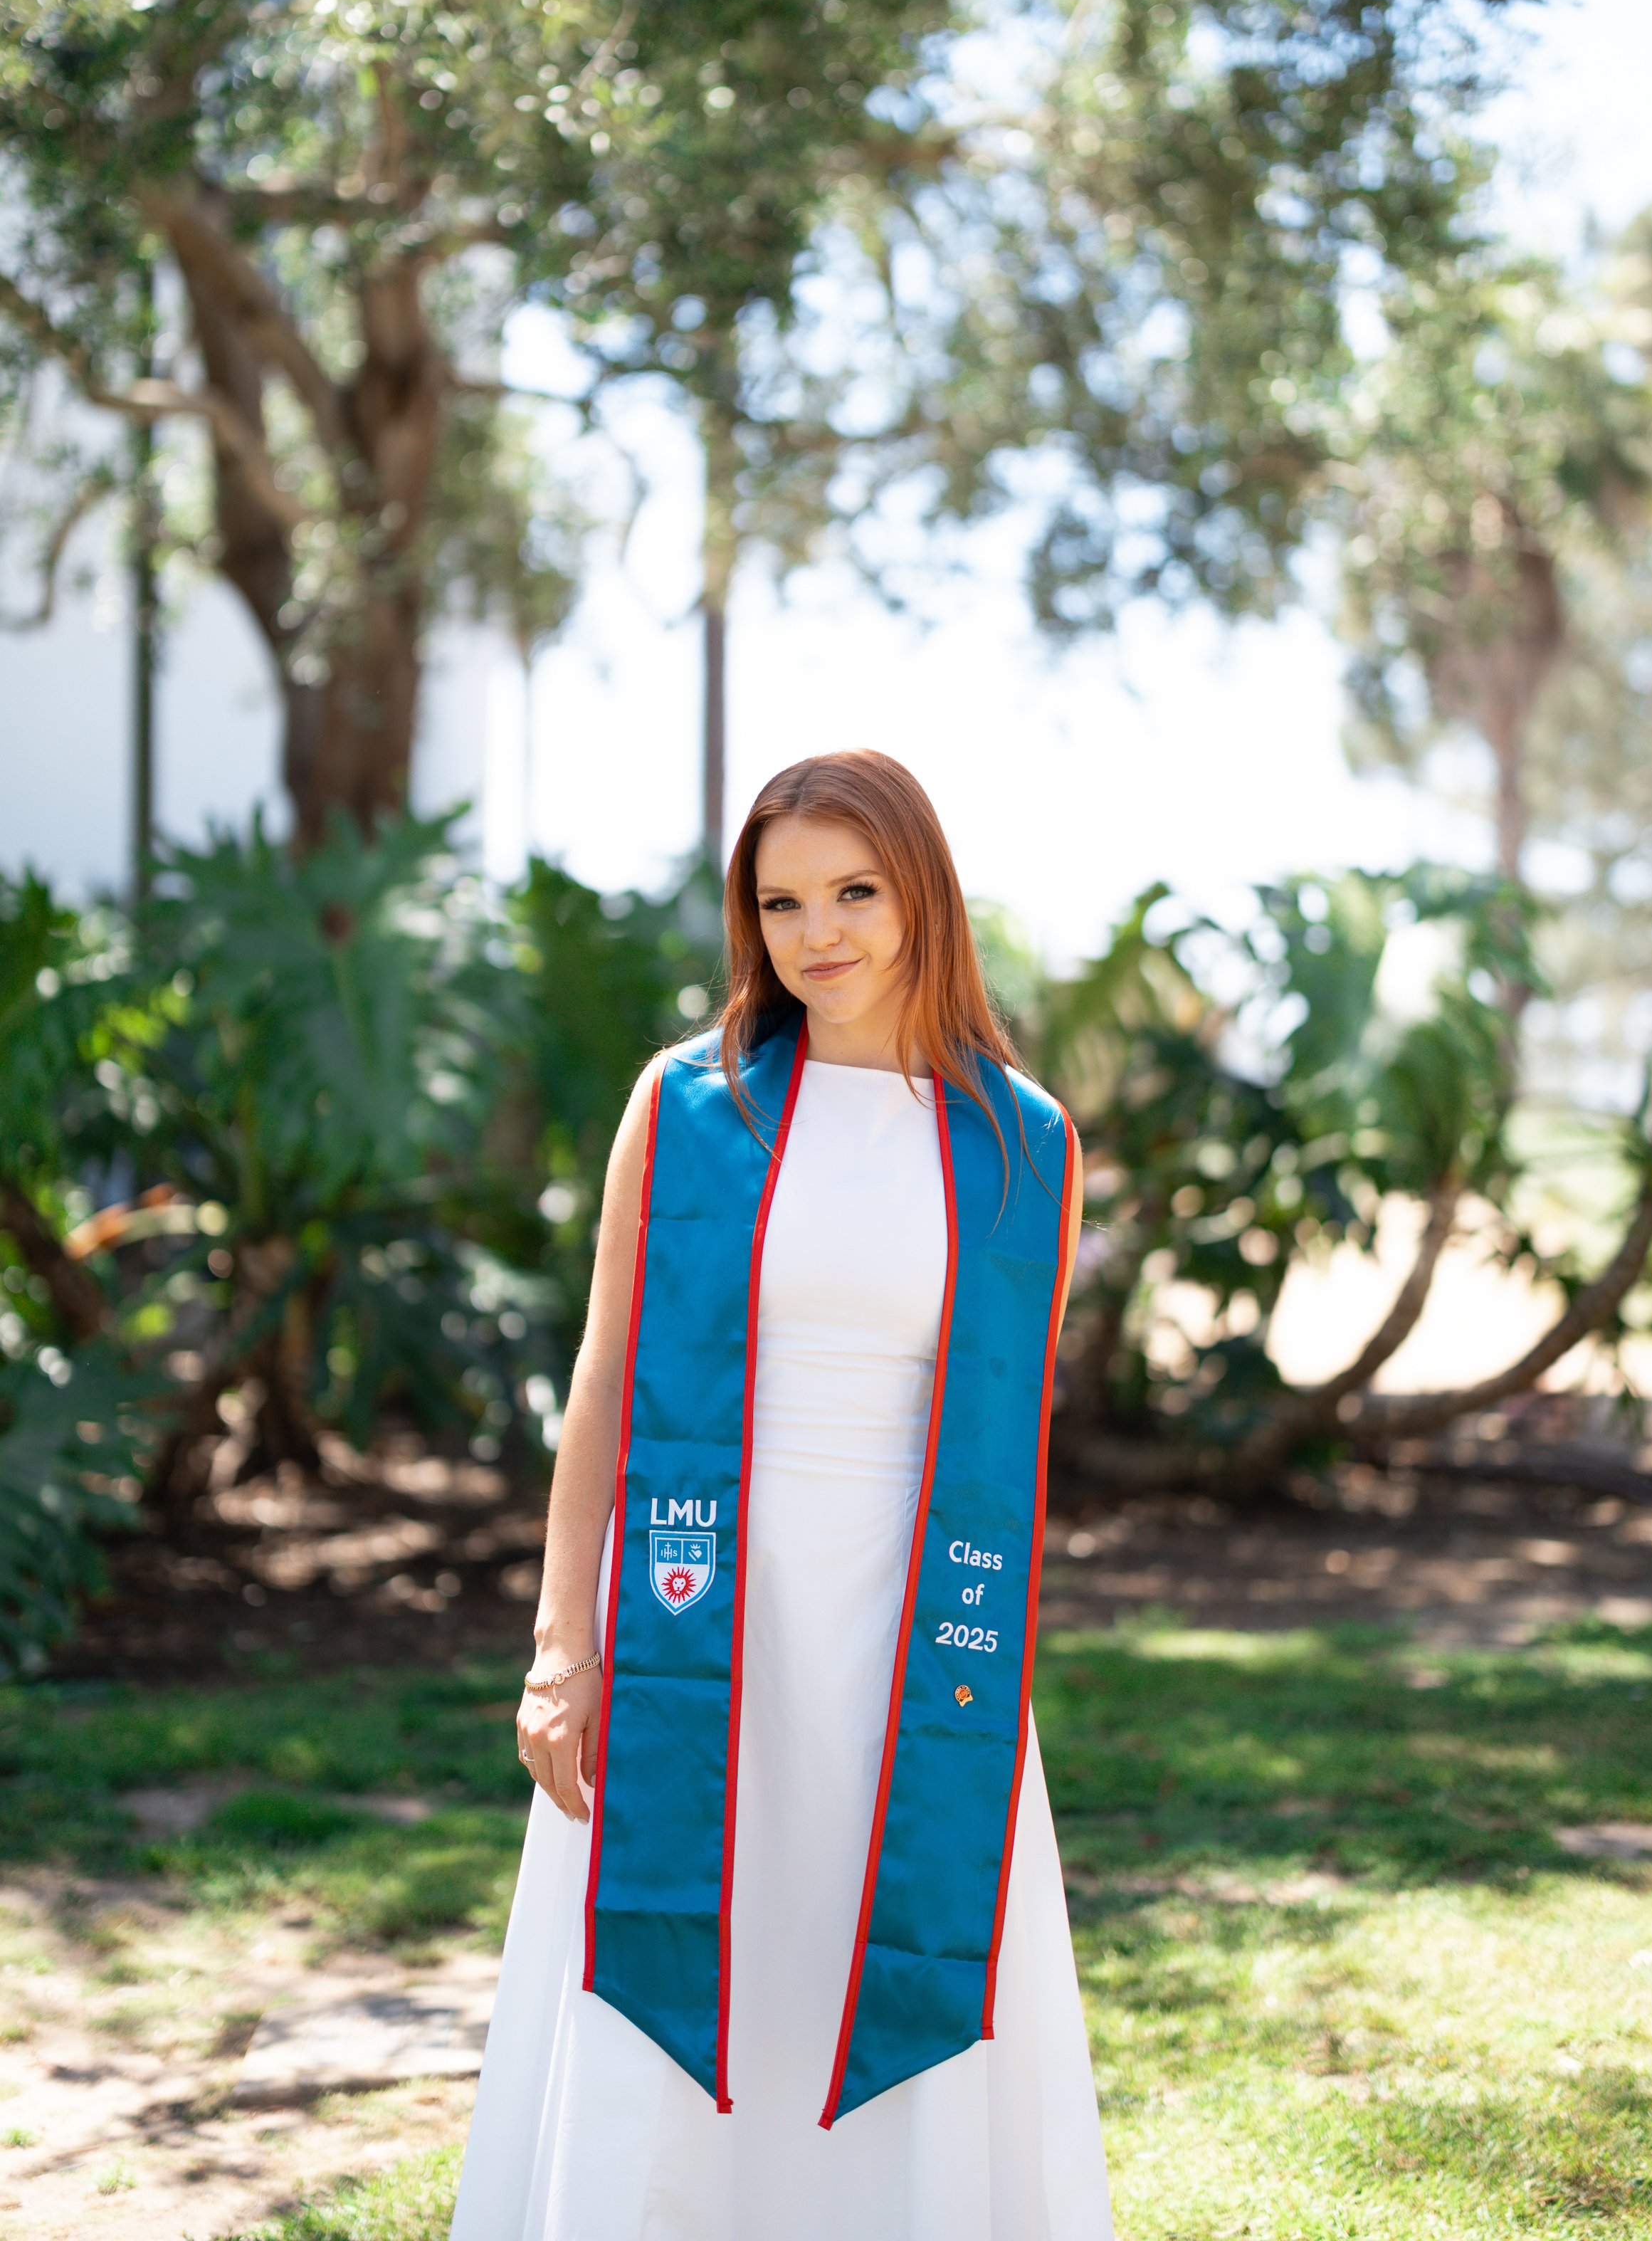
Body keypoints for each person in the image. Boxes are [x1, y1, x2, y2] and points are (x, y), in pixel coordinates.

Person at [451, 750, 1113, 2241]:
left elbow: (1000, 1428)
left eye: (855, 891)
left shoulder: (1022, 1143)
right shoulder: (691, 1106)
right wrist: (563, 1643)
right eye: (782, 902)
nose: (821, 934)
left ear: (922, 892)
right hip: (695, 1611)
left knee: (883, 1953)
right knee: (682, 1967)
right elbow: (607, 1379)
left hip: (910, 1629)